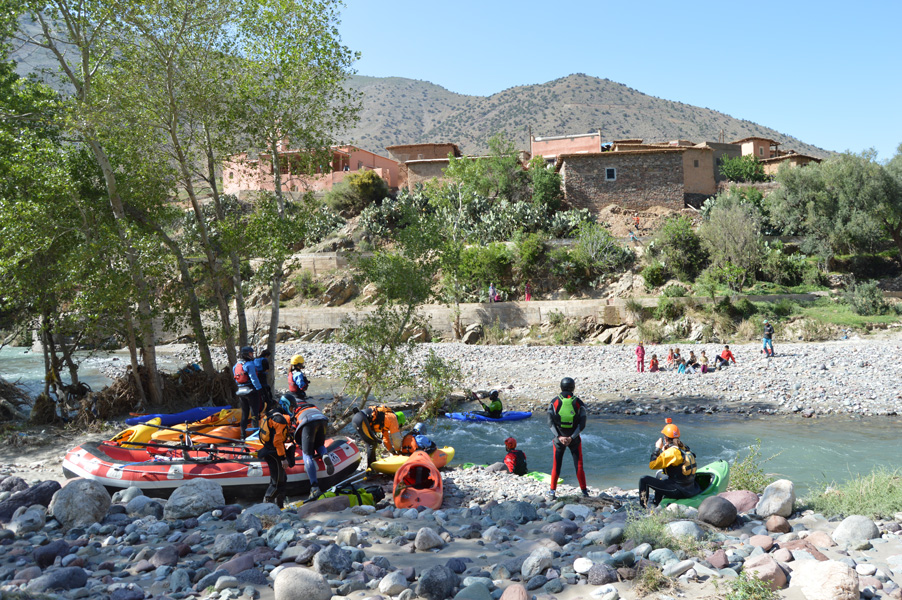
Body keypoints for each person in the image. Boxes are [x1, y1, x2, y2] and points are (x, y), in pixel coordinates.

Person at [638, 418, 700, 509]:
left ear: (665, 438)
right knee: (659, 474)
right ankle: (656, 502)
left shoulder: (671, 452)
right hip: (690, 487)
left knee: (643, 479)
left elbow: (652, 465)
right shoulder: (683, 447)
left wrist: (657, 449)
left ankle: (643, 508)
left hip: (679, 490)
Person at [285, 394, 334, 500]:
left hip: (307, 421)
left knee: (307, 454)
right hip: (321, 419)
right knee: (320, 444)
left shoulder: (294, 410)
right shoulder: (311, 405)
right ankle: (324, 454)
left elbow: (293, 428)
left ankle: (314, 486)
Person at [547, 377, 589, 499]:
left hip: (558, 440)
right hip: (574, 439)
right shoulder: (578, 403)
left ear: (561, 386)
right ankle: (584, 492)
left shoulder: (554, 402)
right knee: (579, 465)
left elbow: (550, 423)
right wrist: (571, 437)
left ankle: (552, 491)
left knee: (556, 465)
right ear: (573, 387)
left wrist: (559, 436)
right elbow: (582, 424)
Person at [257, 398, 294, 508]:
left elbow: (274, 433)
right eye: (291, 407)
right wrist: (283, 458)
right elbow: (277, 441)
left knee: (282, 479)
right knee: (277, 482)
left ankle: (280, 506)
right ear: (285, 405)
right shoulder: (280, 419)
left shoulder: (271, 413)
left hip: (268, 450)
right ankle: (266, 507)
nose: (291, 410)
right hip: (274, 453)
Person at [233, 346, 263, 439]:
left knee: (245, 413)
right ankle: (256, 435)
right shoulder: (249, 364)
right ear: (246, 354)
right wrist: (260, 389)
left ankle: (243, 435)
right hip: (251, 391)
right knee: (254, 413)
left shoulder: (236, 365)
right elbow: (254, 378)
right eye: (251, 353)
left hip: (241, 392)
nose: (252, 355)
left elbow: (236, 379)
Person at [255, 348, 273, 415]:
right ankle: (268, 410)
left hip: (257, 378)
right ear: (267, 355)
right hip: (263, 378)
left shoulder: (256, 359)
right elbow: (266, 370)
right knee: (266, 395)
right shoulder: (264, 360)